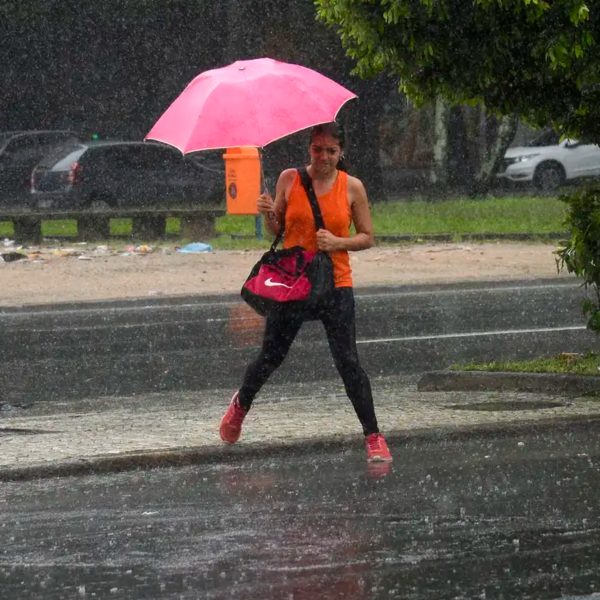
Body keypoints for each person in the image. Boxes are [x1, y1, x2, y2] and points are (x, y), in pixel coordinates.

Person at [219, 122, 392, 463]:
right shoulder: (290, 179)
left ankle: (373, 436)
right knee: (271, 356)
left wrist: (338, 242)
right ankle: (241, 404)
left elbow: (368, 236)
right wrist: (269, 215)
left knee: (348, 362)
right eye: (318, 150)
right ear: (309, 149)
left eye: (331, 151)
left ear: (341, 153)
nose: (324, 157)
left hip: (335, 284)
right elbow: (279, 230)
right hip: (294, 283)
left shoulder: (352, 187)